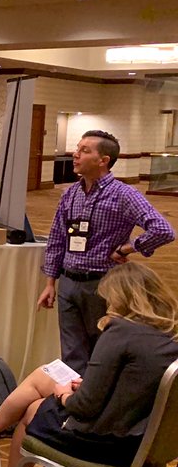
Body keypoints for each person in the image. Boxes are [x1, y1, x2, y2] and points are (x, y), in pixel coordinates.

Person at [0, 262, 178, 467]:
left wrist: (64, 395)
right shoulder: (169, 333)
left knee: (34, 408)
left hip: (113, 443)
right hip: (147, 440)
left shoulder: (120, 331)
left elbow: (85, 406)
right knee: (43, 375)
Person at [38, 130, 173, 373]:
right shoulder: (71, 193)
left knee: (103, 351)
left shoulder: (123, 194)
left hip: (104, 286)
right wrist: (50, 283)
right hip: (68, 283)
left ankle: (95, 402)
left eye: (84, 150)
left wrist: (128, 247)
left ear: (104, 160)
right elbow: (58, 238)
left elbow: (163, 230)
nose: (75, 154)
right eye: (77, 149)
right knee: (71, 353)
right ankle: (71, 404)